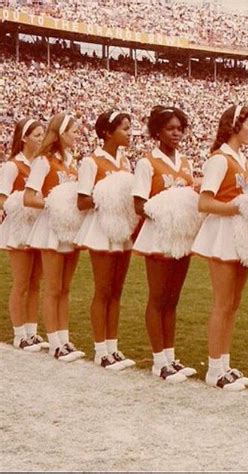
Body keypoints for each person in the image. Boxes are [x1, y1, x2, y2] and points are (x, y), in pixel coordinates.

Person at [192, 105, 248, 391]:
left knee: (233, 303)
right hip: (222, 234)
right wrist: (237, 207)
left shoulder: (241, 159)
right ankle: (215, 368)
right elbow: (204, 203)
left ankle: (225, 364)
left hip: (239, 235)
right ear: (234, 126)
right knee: (222, 303)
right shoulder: (219, 160)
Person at [132, 106, 197, 383]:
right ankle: (158, 361)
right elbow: (139, 204)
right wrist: (168, 213)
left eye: (180, 128)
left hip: (180, 237)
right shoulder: (147, 162)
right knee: (158, 297)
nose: (176, 133)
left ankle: (171, 356)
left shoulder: (186, 162)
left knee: (173, 298)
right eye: (170, 128)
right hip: (158, 235)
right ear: (157, 131)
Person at [75, 110, 135, 370]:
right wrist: (107, 196)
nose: (129, 133)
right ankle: (101, 350)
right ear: (108, 133)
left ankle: (113, 346)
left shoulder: (126, 162)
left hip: (122, 230)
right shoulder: (91, 162)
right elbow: (82, 201)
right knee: (103, 290)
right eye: (124, 128)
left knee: (117, 291)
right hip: (101, 229)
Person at [23, 112, 85, 362]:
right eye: (73, 131)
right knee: (53, 287)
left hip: (69, 228)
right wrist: (54, 205)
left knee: (65, 288)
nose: (76, 135)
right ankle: (54, 342)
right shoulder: (43, 162)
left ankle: (64, 338)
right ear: (60, 133)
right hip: (51, 227)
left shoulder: (71, 161)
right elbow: (29, 197)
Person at [0, 117, 46, 351]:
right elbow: (2, 200)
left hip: (37, 227)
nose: (41, 139)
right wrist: (21, 207)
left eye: (42, 135)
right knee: (21, 282)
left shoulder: (40, 165)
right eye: (37, 135)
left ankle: (32, 331)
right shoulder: (12, 166)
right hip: (19, 228)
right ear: (24, 138)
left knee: (35, 282)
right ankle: (19, 334)